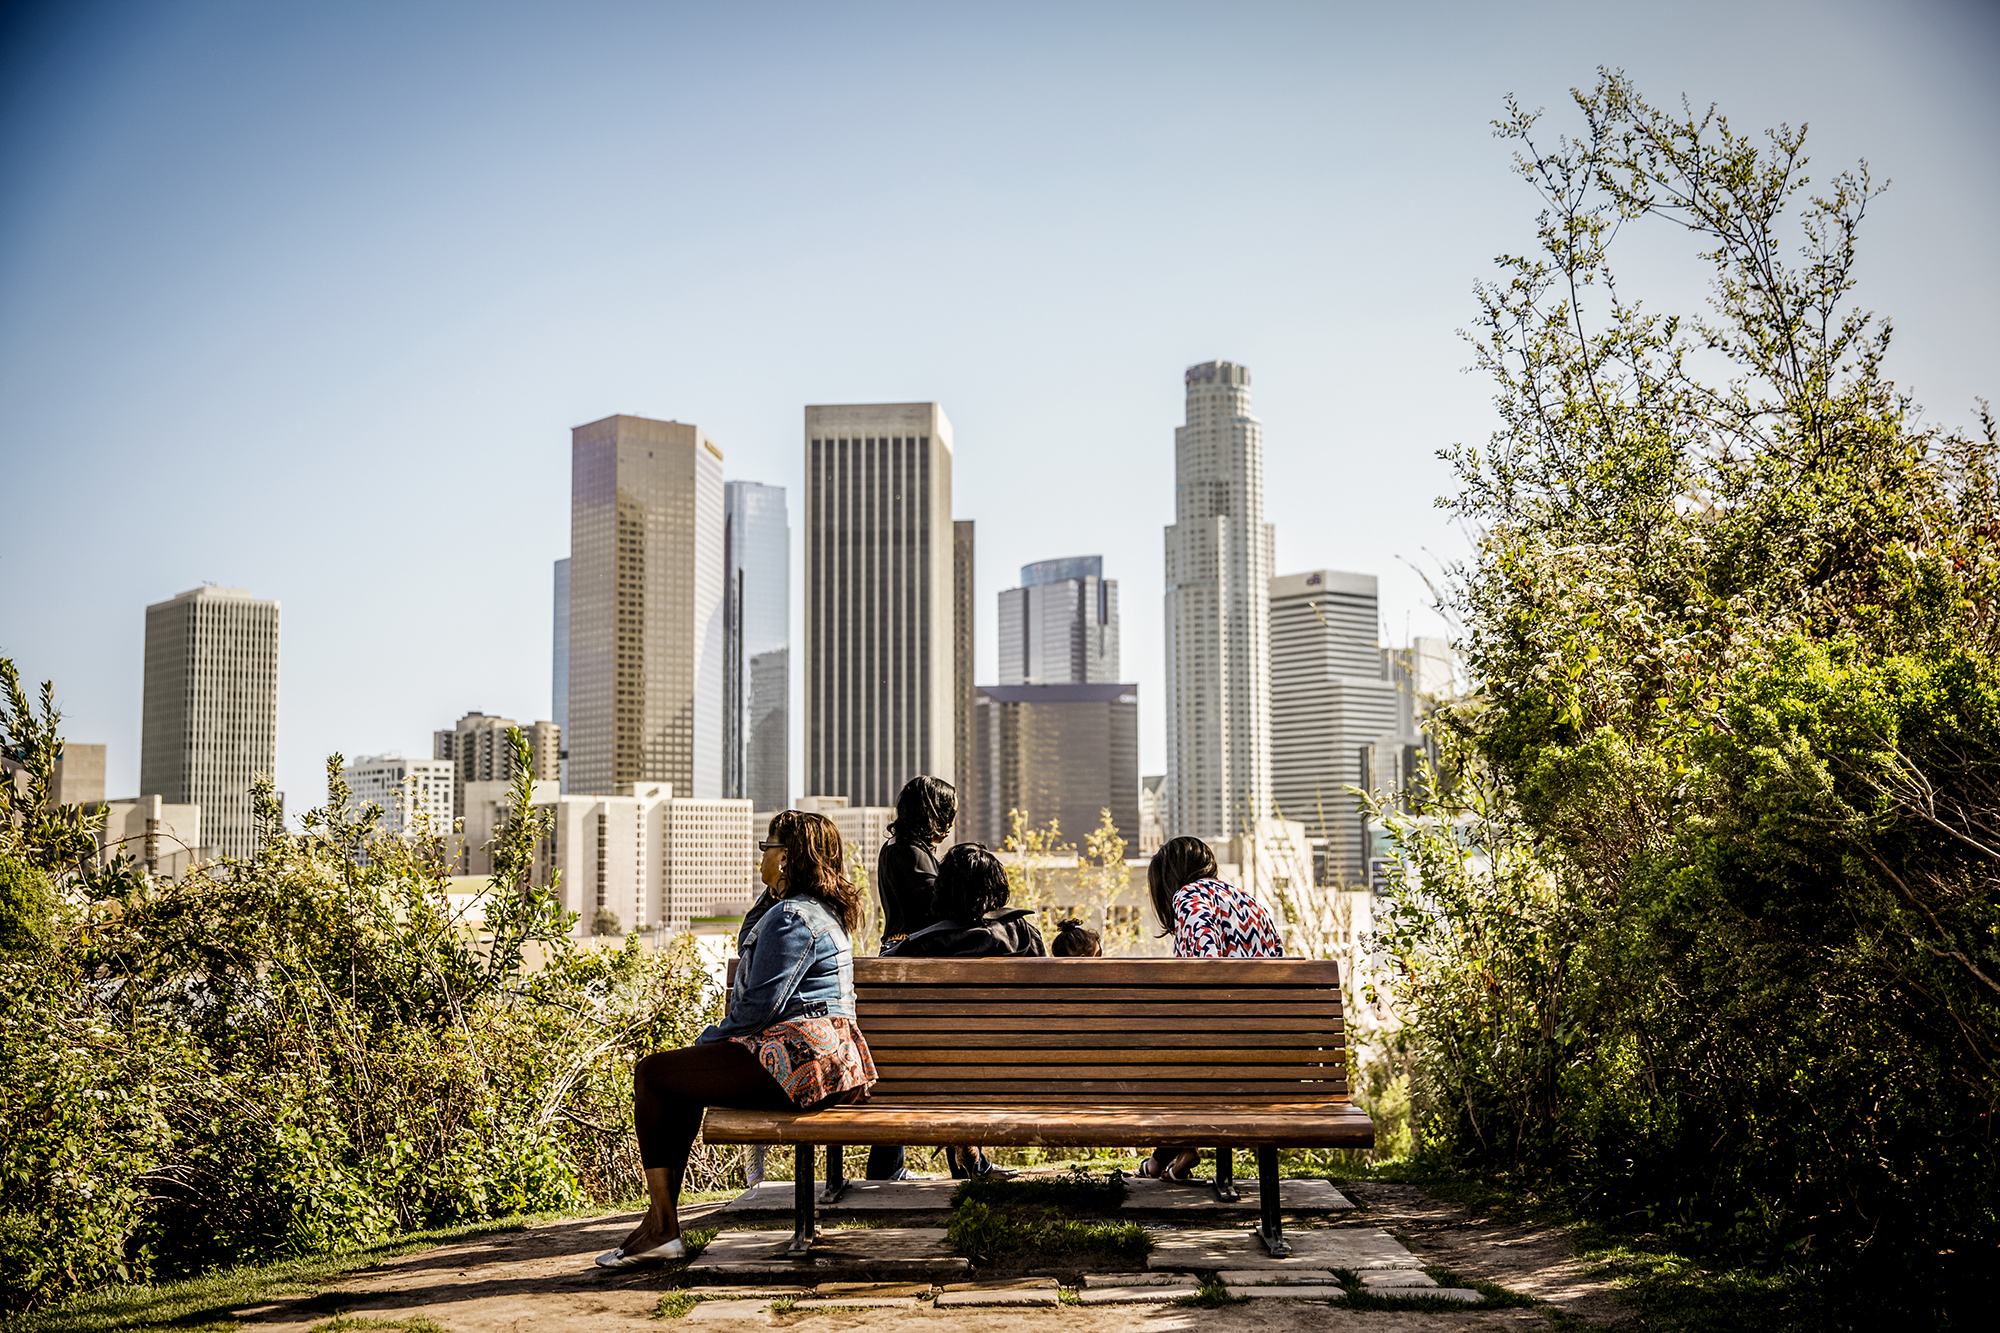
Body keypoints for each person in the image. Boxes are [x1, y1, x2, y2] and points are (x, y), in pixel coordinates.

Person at [596, 811, 875, 1267]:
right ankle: (660, 1226)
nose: (759, 857)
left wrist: (707, 1044)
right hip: (823, 1060)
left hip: (800, 1058)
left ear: (785, 858)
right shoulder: (811, 910)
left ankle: (662, 1226)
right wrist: (774, 891)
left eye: (766, 848)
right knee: (680, 1081)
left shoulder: (791, 918)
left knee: (653, 1073)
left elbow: (754, 1011)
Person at [884, 842, 1043, 1177]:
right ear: (997, 887)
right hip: (1020, 1071)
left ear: (941, 889)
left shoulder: (917, 947)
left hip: (929, 1077)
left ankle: (958, 1143)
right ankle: (968, 1148)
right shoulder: (1024, 935)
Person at [1135, 835, 1284, 1182]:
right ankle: (1168, 1156)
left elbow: (1205, 970)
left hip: (1220, 1043)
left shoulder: (1188, 897)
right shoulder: (1249, 902)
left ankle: (1166, 1155)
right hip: (1267, 1047)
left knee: (1163, 1055)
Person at [864, 775, 959, 1182]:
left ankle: (888, 1166)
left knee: (899, 1067)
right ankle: (894, 1166)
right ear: (933, 813)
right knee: (925, 1062)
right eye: (948, 813)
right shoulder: (913, 854)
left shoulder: (895, 848)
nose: (951, 822)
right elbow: (935, 911)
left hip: (894, 957)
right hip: (914, 967)